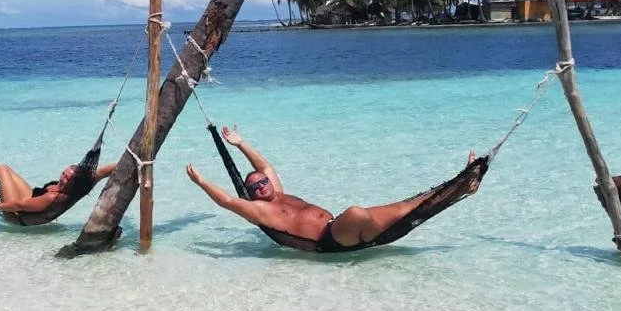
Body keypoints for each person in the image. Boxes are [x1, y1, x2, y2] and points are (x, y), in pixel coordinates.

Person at [185, 126, 484, 252]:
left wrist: (240, 144)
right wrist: (201, 182)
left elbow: (266, 167)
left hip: (339, 228)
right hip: (331, 241)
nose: (262, 185)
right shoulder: (260, 210)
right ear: (250, 195)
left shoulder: (278, 191)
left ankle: (464, 185)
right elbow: (226, 199)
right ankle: (461, 186)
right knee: (356, 212)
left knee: (408, 207)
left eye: (262, 182)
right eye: (255, 186)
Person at [0, 148, 116, 214]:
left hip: (18, 211)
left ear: (73, 183)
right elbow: (103, 171)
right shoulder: (77, 184)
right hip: (29, 195)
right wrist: (132, 157)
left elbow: (19, 206)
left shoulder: (53, 197)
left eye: (67, 177)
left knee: (0, 171)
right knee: (5, 168)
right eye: (65, 172)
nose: (63, 176)